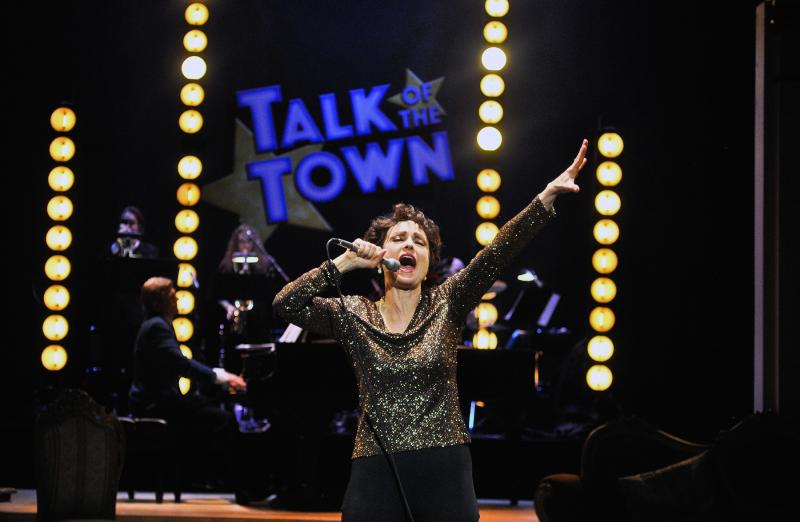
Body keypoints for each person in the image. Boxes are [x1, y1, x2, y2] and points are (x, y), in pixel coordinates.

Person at [273, 139, 589, 521]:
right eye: (399, 238)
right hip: (376, 466)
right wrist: (344, 262)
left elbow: (498, 252)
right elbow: (284, 304)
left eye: (419, 242)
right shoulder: (353, 313)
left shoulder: (448, 301)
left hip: (445, 465)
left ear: (428, 262)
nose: (409, 244)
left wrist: (545, 198)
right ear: (381, 257)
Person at [128, 277, 252, 500]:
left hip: (157, 399)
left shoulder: (156, 325)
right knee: (223, 419)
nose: (177, 297)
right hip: (155, 402)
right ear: (157, 303)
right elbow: (180, 363)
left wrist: (217, 376)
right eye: (171, 294)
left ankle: (209, 477)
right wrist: (220, 377)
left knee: (209, 411)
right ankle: (224, 482)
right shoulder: (157, 326)